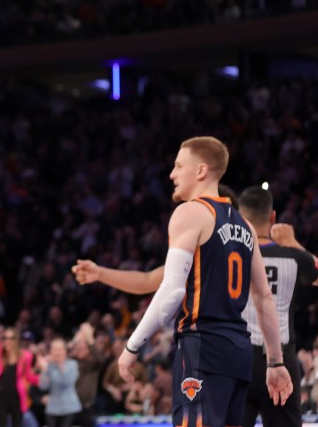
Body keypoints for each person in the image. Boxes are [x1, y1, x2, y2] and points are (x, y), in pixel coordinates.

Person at [73, 186, 318, 426]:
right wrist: (296, 245)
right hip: (272, 355)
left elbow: (149, 281)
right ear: (272, 217)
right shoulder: (291, 257)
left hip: (224, 350)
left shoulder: (214, 249)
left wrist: (101, 274)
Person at [111, 137, 293, 427]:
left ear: (201, 171)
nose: (172, 174)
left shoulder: (190, 212)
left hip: (202, 347)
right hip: (239, 353)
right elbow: (263, 298)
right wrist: (275, 362)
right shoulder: (244, 225)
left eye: (178, 166)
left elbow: (171, 291)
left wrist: (132, 346)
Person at [0, 300, 38, 427]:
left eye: (11, 338)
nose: (8, 341)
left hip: (17, 396)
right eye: (5, 338)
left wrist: (42, 379)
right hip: (1, 395)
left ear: (16, 340)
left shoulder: (26, 356)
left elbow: (28, 376)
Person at [38, 339, 81, 427]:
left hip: (69, 407)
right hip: (53, 407)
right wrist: (44, 370)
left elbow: (67, 382)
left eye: (60, 349)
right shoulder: (49, 366)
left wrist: (61, 364)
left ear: (65, 351)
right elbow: (43, 386)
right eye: (55, 349)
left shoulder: (72, 364)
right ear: (51, 351)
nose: (57, 352)